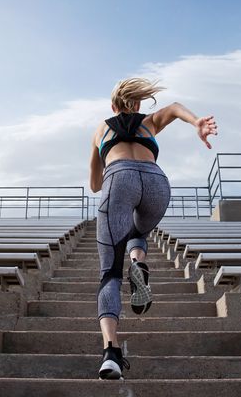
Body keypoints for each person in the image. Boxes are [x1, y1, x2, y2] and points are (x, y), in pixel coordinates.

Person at [88, 77, 218, 380]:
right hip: (157, 182)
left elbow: (95, 185)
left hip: (119, 179)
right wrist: (197, 121)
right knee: (137, 232)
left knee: (109, 273)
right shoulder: (149, 123)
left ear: (113, 106)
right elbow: (173, 108)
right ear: (137, 104)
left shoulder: (101, 129)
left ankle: (112, 353)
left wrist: (105, 160)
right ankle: (139, 262)